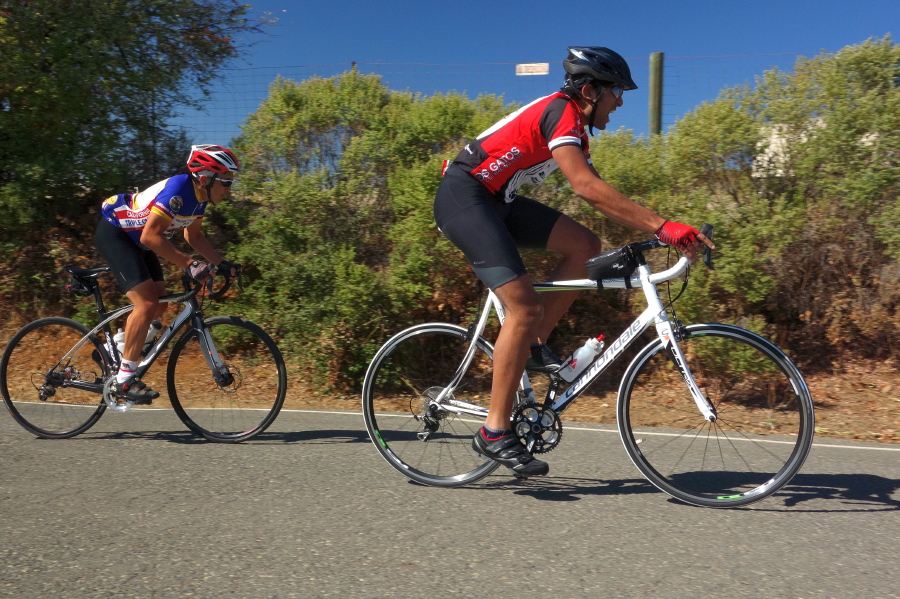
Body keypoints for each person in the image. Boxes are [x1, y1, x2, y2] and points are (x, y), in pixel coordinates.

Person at [433, 46, 714, 477]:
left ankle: (531, 346)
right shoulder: (560, 112)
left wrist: (655, 230)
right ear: (589, 90)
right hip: (463, 198)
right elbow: (584, 186)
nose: (620, 102)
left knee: (584, 245)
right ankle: (493, 431)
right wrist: (662, 227)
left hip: (497, 202)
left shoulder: (577, 128)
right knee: (523, 306)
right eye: (616, 92)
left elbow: (599, 190)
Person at [95, 144, 241, 403]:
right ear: (205, 179)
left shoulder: (200, 198)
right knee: (146, 303)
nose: (230, 189)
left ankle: (112, 350)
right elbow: (150, 236)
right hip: (117, 234)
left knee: (160, 305)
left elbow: (192, 236)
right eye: (226, 183)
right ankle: (124, 379)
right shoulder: (179, 191)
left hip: (138, 240)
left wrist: (220, 263)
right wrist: (189, 264)